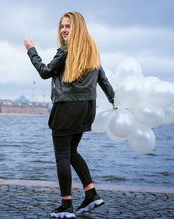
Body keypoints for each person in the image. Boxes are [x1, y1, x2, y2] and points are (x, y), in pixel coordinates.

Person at [24, 11, 115, 218]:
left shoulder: (66, 51)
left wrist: (31, 51)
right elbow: (104, 81)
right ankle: (91, 194)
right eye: (62, 26)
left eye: (68, 26)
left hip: (66, 108)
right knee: (72, 152)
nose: (64, 30)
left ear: (78, 28)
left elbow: (45, 72)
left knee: (62, 156)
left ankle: (66, 205)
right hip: (86, 109)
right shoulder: (92, 52)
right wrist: (114, 101)